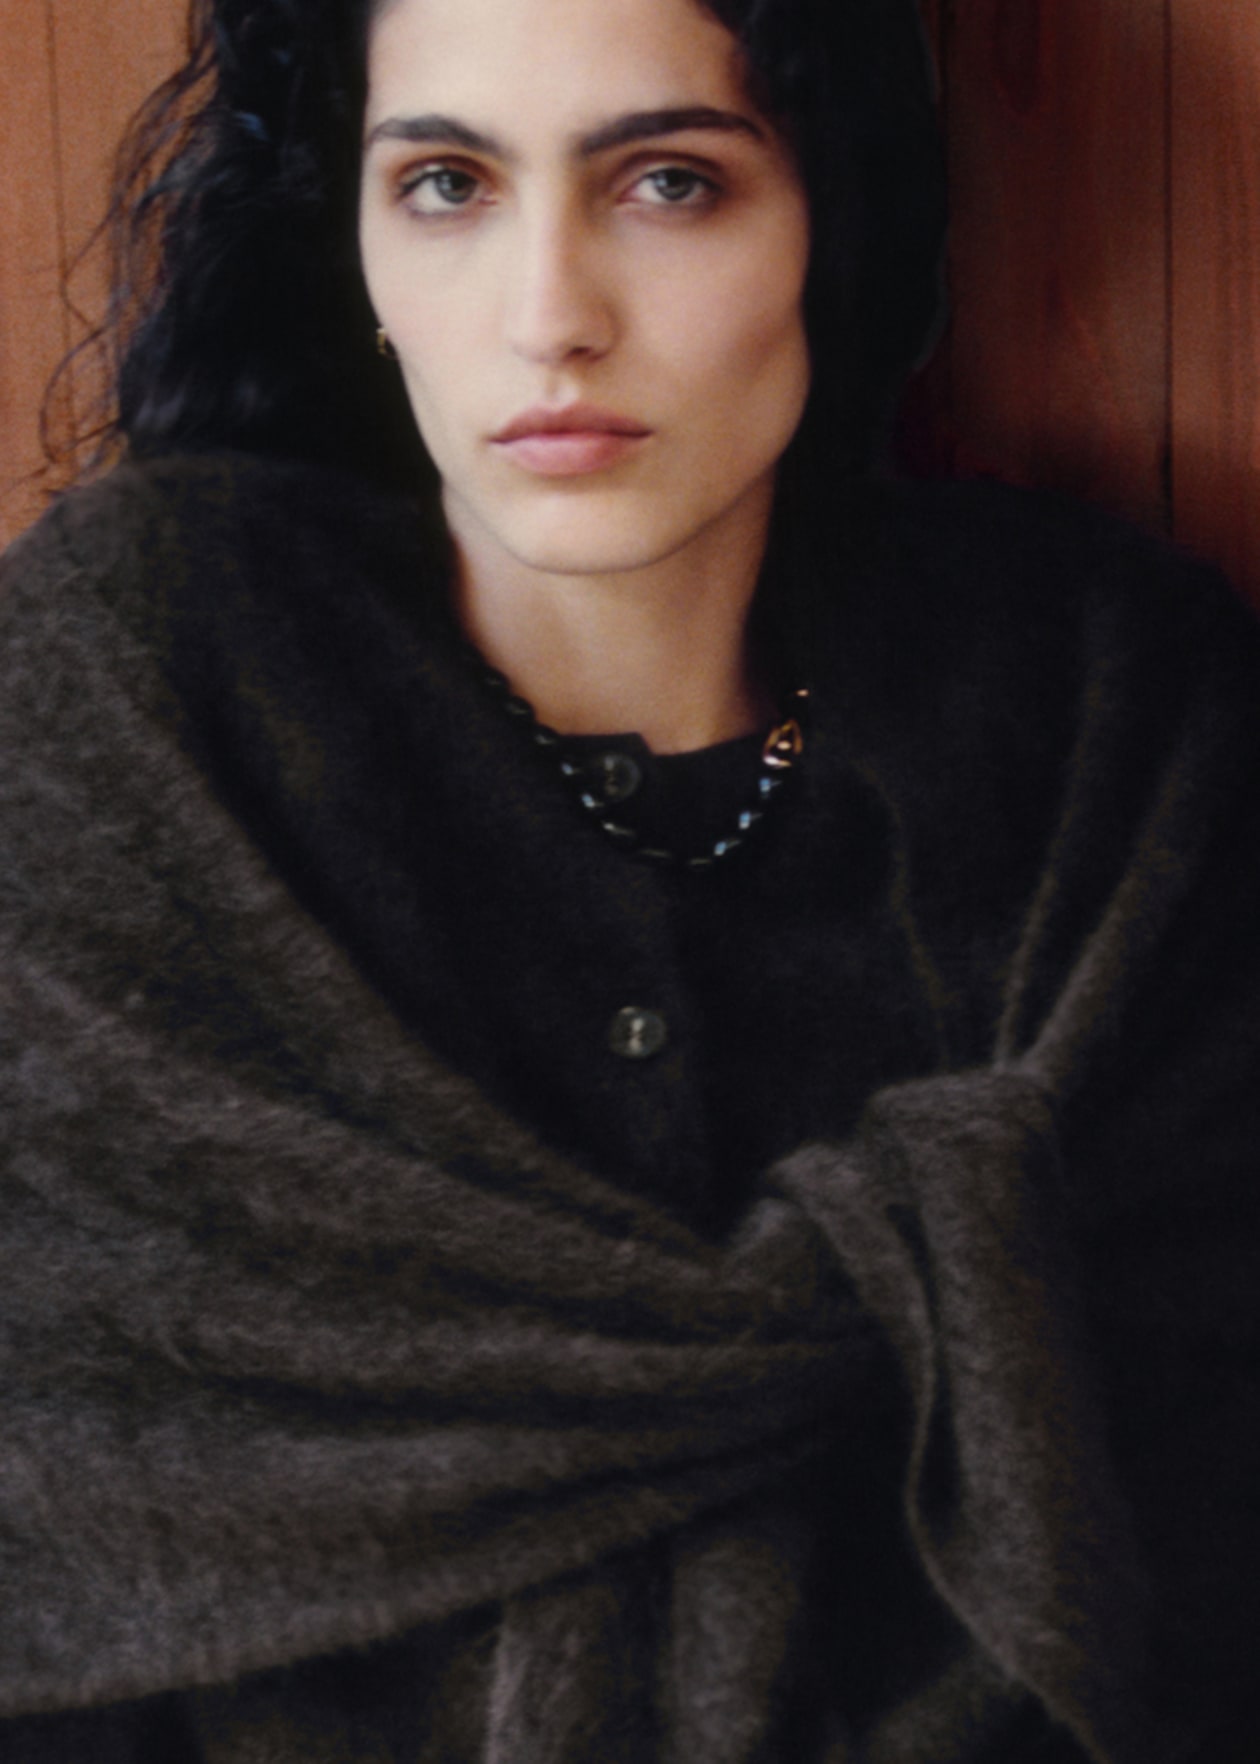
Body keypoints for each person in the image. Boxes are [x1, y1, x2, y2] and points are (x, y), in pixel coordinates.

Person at [1, 0, 1258, 1759]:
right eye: (444, 183)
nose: (549, 317)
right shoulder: (139, 700)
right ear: (352, 244)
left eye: (669, 181)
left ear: (832, 218)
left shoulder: (1110, 729)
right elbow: (67, 1482)